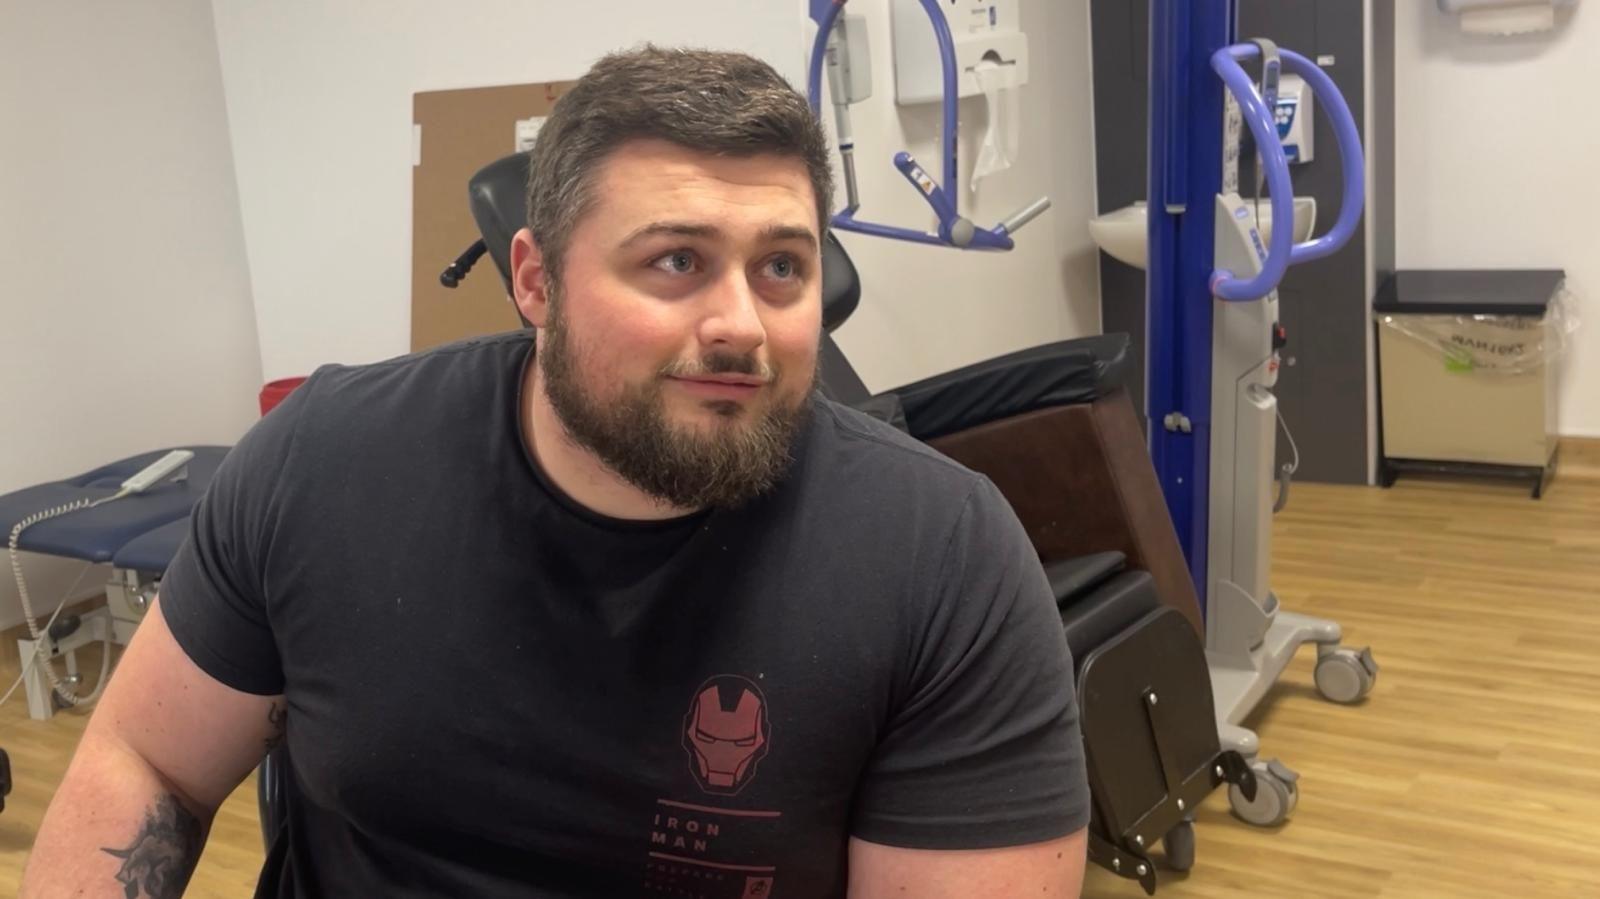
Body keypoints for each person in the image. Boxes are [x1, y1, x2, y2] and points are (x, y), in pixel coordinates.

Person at [23, 45, 1089, 898]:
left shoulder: (942, 558)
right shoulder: (323, 462)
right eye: (675, 260)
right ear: (534, 280)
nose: (739, 324)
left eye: (782, 267)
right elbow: (147, 760)